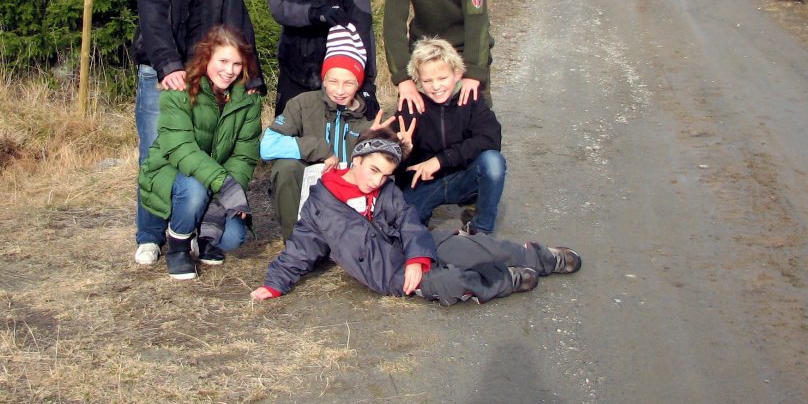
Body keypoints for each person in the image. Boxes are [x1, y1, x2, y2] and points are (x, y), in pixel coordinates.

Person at [249, 127, 580, 305]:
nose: (377, 180)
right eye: (374, 170)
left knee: (477, 248)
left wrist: (418, 255)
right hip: (391, 274)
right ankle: (505, 279)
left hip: (417, 250)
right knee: (454, 283)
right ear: (357, 161)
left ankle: (542, 257)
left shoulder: (385, 190)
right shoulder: (321, 205)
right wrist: (274, 284)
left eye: (386, 175)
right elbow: (301, 248)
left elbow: (408, 220)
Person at [131, 0, 263, 266]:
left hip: (209, 74)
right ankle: (150, 235)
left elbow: (235, 17)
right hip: (160, 69)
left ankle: (196, 231)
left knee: (205, 150)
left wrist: (250, 75)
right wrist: (168, 66)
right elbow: (152, 15)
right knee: (155, 152)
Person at [137, 25, 263, 281]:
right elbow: (182, 149)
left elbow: (244, 155)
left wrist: (225, 192)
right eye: (223, 61)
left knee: (233, 237)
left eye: (237, 64)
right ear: (207, 57)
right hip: (173, 172)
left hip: (216, 180)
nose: (229, 71)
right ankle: (178, 245)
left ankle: (202, 233)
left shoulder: (249, 100)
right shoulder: (179, 90)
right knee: (194, 187)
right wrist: (224, 184)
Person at [259, 23, 374, 239]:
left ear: (358, 84)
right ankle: (295, 242)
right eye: (333, 81)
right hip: (307, 190)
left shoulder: (366, 117)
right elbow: (267, 146)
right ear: (324, 79)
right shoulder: (302, 104)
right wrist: (319, 148)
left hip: (344, 194)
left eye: (349, 83)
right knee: (285, 168)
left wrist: (392, 143)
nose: (339, 91)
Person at [395, 37, 505, 235]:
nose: (436, 87)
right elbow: (388, 150)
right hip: (422, 183)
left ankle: (481, 229)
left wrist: (440, 160)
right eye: (427, 81)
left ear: (457, 74)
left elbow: (491, 138)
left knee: (493, 162)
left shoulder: (470, 98)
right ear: (418, 80)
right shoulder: (411, 105)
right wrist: (401, 150)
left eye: (442, 78)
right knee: (406, 232)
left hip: (461, 177)